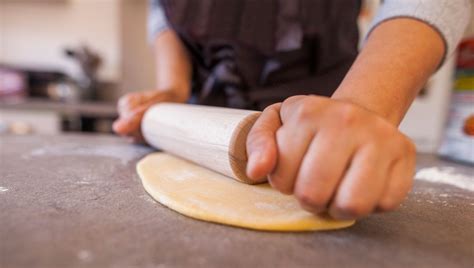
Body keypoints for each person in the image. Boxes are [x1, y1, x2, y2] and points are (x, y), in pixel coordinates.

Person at [114, 0, 471, 220]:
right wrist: (174, 88)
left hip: (320, 115)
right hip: (204, 121)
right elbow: (165, 9)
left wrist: (362, 105)